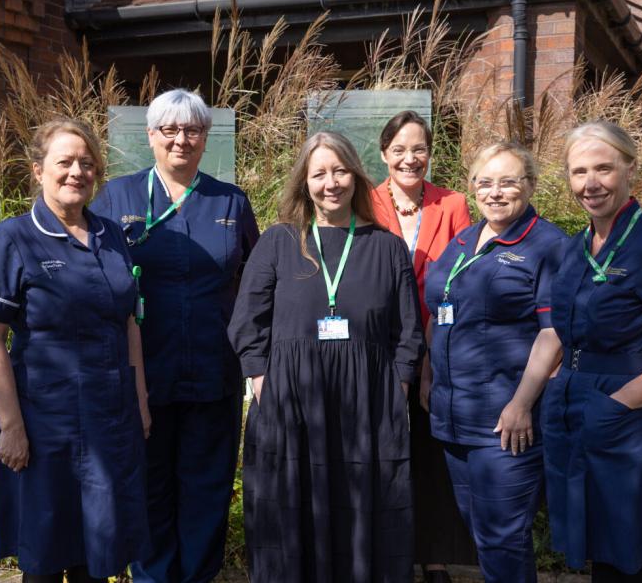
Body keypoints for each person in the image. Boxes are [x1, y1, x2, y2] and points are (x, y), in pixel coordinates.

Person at [228, 131, 425, 583]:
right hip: (291, 401)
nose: (330, 183)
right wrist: (261, 380)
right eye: (319, 173)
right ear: (304, 182)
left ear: (356, 177)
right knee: (292, 509)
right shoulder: (279, 241)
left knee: (362, 509)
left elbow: (408, 329)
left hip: (367, 404)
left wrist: (396, 386)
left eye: (339, 171)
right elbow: (246, 321)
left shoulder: (386, 246)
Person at [524, 121, 642, 582]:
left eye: (604, 169)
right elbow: (555, 333)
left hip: (625, 414)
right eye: (579, 171)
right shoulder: (575, 248)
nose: (590, 184)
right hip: (573, 407)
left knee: (635, 551)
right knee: (600, 551)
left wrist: (615, 407)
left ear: (629, 167)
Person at [0, 119, 152, 583]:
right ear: (38, 170)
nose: (76, 172)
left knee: (98, 554)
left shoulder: (112, 236)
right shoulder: (12, 239)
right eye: (64, 162)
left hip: (111, 419)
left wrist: (141, 404)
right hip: (46, 424)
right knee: (47, 556)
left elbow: (129, 324)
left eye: (86, 164)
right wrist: (11, 427)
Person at [90, 88, 259, 583]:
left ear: (206, 138)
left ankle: (198, 576)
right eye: (169, 129)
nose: (180, 139)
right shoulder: (116, 198)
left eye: (192, 130)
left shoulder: (230, 200)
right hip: (143, 375)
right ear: (151, 136)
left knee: (207, 486)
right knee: (150, 484)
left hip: (213, 371)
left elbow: (252, 287)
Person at [423, 142, 567, 583]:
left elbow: (554, 331)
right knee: (482, 531)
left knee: (504, 537)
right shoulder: (466, 238)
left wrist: (522, 403)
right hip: (453, 417)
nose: (495, 192)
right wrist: (427, 375)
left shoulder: (549, 245)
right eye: (485, 182)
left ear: (531, 185)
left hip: (505, 423)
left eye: (508, 181)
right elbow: (440, 307)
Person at [369, 110, 475, 582]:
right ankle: (385, 549)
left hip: (437, 341)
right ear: (383, 152)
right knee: (385, 448)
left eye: (419, 150)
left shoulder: (452, 204)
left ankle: (433, 556)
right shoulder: (364, 201)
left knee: (432, 452)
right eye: (400, 150)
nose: (410, 159)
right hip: (379, 348)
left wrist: (431, 352)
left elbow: (462, 279)